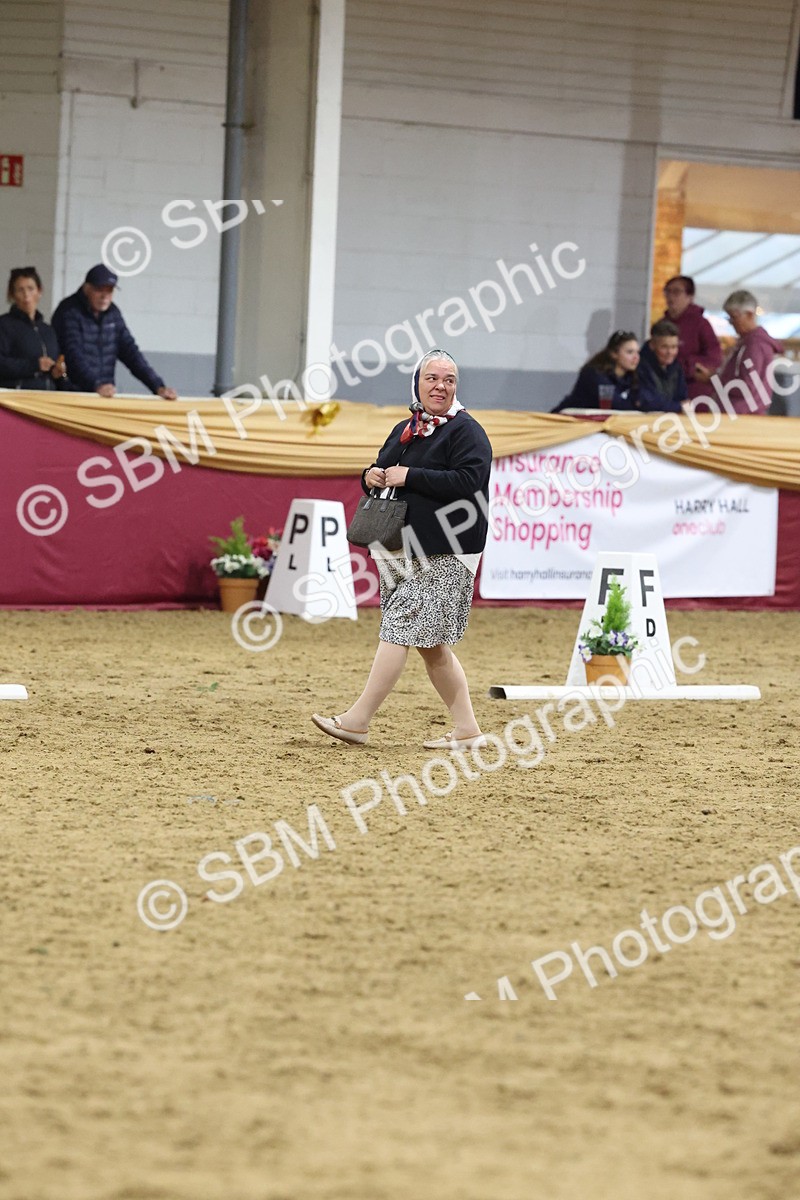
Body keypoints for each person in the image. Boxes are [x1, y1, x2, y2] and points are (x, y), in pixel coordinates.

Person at [311, 349, 492, 750]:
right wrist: (370, 476)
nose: (440, 386)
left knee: (398, 628)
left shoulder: (467, 431)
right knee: (430, 644)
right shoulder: (406, 428)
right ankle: (467, 730)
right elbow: (383, 469)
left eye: (448, 379)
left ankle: (357, 721)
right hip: (402, 549)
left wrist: (410, 475)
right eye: (432, 378)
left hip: (446, 550)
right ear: (417, 383)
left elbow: (469, 482)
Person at [51, 264, 177, 399]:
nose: (104, 296)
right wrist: (96, 385)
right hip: (72, 395)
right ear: (86, 288)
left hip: (104, 394)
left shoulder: (113, 314)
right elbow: (73, 355)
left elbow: (131, 353)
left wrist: (158, 386)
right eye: (99, 290)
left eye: (110, 291)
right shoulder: (68, 311)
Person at [694, 290, 782, 415]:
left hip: (742, 415)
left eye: (734, 317)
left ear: (750, 315)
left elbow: (746, 387)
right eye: (729, 318)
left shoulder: (754, 345)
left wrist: (713, 379)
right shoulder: (748, 342)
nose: (731, 323)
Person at [0, 267, 69, 390]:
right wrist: (34, 365)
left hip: (47, 396)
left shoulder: (48, 330)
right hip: (17, 396)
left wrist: (57, 371)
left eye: (30, 289)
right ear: (12, 295)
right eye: (20, 290)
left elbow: (54, 365)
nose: (26, 295)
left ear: (39, 291)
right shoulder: (4, 325)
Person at [663, 275, 721, 400]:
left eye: (676, 292)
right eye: (667, 291)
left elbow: (714, 357)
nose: (670, 296)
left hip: (694, 392)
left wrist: (687, 365)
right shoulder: (662, 324)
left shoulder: (701, 324)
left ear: (690, 297)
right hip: (665, 389)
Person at [553, 330, 643, 411]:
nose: (636, 357)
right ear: (614, 354)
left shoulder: (632, 377)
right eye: (630, 352)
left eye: (638, 352)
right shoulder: (594, 374)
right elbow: (615, 405)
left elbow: (644, 401)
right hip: (569, 420)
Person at [636, 319, 687, 413]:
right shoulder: (639, 367)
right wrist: (678, 406)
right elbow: (647, 402)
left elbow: (683, 399)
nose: (670, 352)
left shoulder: (677, 368)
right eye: (664, 347)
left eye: (674, 347)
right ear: (652, 345)